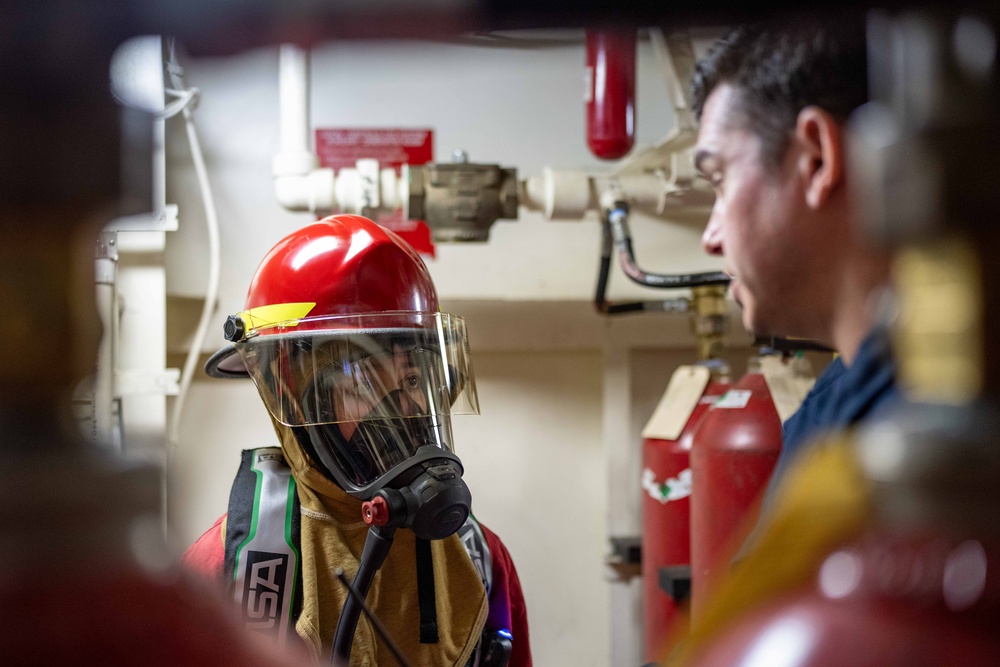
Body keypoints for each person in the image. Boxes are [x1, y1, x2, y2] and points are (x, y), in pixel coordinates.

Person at [183, 214, 531, 667]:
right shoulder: (224, 572)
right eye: (363, 382)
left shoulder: (478, 563)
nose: (400, 412)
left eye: (411, 377)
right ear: (294, 398)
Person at [692, 20, 900, 488]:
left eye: (719, 179)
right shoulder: (826, 415)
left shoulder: (934, 436)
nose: (711, 236)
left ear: (817, 159)